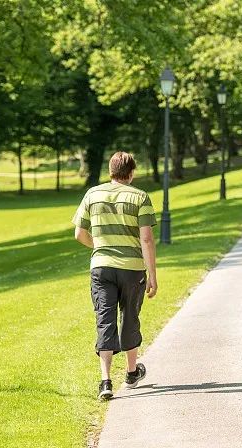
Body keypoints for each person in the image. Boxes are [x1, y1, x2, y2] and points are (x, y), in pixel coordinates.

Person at [72, 151, 158, 400]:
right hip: (132, 268)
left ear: (110, 170)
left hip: (101, 267)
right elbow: (146, 238)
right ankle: (131, 372)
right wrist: (152, 274)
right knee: (130, 316)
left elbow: (79, 233)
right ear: (131, 173)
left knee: (105, 319)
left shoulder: (92, 194)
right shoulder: (140, 197)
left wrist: (100, 248)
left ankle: (106, 381)